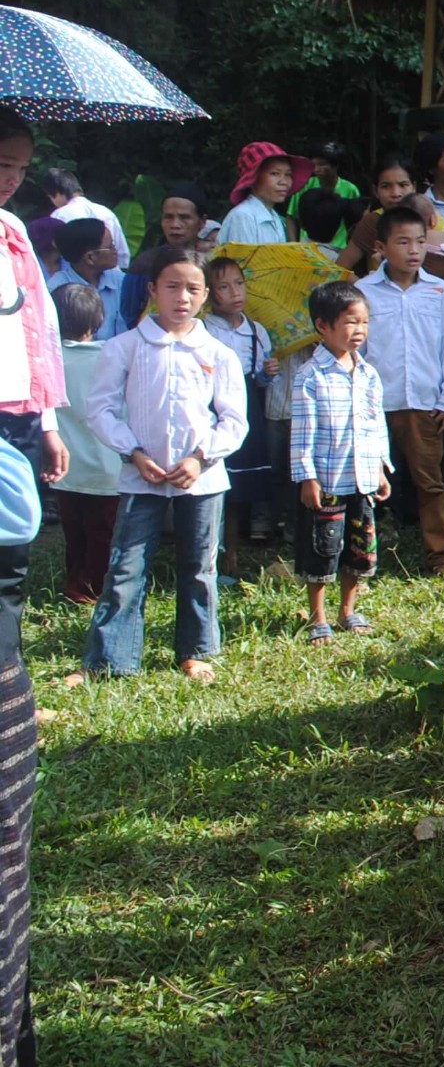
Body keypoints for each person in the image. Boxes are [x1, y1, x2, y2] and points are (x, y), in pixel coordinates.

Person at [75, 248, 245, 683]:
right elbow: (101, 410)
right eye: (172, 286)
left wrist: (200, 457)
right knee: (127, 566)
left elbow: (233, 419)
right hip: (140, 476)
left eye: (193, 289)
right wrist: (133, 452)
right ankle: (112, 659)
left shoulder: (218, 352)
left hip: (202, 480)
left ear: (206, 296)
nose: (182, 297)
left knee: (199, 566)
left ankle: (196, 650)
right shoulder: (125, 347)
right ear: (152, 290)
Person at [0, 106, 64, 1065]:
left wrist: (45, 415)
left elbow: (35, 334)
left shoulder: (12, 232)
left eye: (16, 166)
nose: (7, 178)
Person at [358, 206, 444, 582]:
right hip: (373, 405)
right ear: (381, 247)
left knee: (430, 484)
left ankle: (441, 558)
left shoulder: (437, 291)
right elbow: (356, 352)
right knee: (362, 483)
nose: (414, 250)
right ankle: (359, 562)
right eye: (402, 242)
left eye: (420, 241)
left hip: (423, 402)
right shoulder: (362, 293)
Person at [290, 280, 392, 645]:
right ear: (323, 326)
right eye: (350, 322)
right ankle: (318, 616)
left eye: (364, 322)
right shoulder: (311, 376)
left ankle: (347, 610)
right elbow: (303, 431)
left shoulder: (368, 374)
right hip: (328, 479)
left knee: (359, 547)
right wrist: (307, 477)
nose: (359, 331)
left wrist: (381, 465)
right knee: (322, 548)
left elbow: (375, 422)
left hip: (362, 477)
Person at [200, 256, 276, 580]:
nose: (234, 292)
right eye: (223, 286)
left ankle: (231, 550)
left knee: (239, 485)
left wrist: (267, 374)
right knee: (213, 481)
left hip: (246, 412)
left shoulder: (256, 331)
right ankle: (209, 555)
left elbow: (258, 379)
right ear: (209, 293)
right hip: (210, 410)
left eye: (239, 283)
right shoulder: (201, 328)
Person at [50, 285, 121, 606]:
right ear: (98, 320)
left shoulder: (49, 361)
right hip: (107, 468)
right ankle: (92, 587)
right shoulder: (111, 358)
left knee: (74, 530)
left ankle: (74, 579)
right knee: (102, 533)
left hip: (64, 467)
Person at [342, 154, 444, 300]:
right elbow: (341, 268)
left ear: (414, 187)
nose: (395, 193)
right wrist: (366, 289)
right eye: (386, 186)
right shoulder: (372, 222)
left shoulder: (432, 218)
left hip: (431, 301)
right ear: (376, 191)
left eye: (403, 185)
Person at [120, 181, 208, 330]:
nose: (175, 224)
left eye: (184, 217)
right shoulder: (145, 264)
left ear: (202, 222)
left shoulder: (213, 263)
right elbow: (129, 315)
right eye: (168, 217)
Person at [48, 217, 127, 340]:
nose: (116, 251)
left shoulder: (123, 283)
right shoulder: (56, 290)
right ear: (90, 258)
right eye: (110, 246)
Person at [43, 166, 133, 269]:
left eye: (50, 197)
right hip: (111, 279)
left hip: (72, 281)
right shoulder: (106, 212)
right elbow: (123, 255)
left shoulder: (58, 216)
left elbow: (53, 257)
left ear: (57, 193)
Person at [285, 140, 363, 245]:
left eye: (322, 164)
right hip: (306, 249)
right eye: (313, 165)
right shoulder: (305, 185)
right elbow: (291, 216)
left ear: (336, 165)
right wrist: (293, 245)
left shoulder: (350, 189)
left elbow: (357, 224)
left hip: (339, 251)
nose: (316, 169)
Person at [217, 144, 295, 246]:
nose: (284, 182)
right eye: (275, 174)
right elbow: (243, 260)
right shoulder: (243, 216)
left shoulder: (274, 216)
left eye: (288, 174)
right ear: (254, 179)